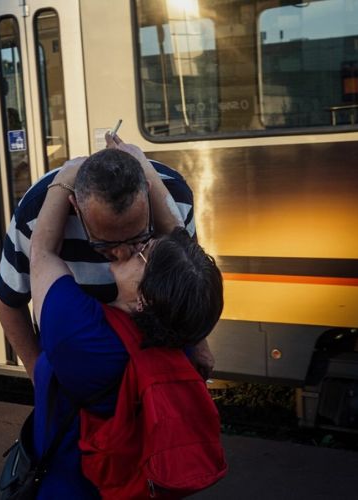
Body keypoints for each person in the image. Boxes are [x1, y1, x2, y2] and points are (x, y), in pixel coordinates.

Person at [27, 140, 224, 497]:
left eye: (145, 250)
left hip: (71, 485)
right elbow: (181, 244)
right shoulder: (180, 337)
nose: (136, 247)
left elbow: (41, 251)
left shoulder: (80, 332)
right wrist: (143, 168)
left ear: (144, 298)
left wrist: (66, 177)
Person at [0, 134, 215, 385]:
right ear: (76, 207)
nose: (121, 254)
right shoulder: (33, 212)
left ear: (147, 192)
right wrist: (36, 373)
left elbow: (41, 253)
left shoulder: (69, 318)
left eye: (138, 240)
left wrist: (42, 381)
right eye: (106, 244)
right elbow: (9, 300)